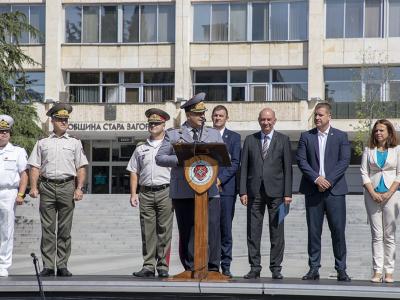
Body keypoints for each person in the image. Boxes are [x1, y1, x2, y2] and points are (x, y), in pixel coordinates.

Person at [156, 92, 224, 273]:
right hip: (184, 190)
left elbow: (227, 157)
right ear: (188, 115)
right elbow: (160, 158)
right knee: (187, 230)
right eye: (198, 113)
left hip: (209, 190)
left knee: (213, 229)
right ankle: (190, 266)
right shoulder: (173, 134)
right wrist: (181, 159)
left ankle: (212, 267)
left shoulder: (213, 134)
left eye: (204, 113)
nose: (203, 117)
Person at [28, 103, 88, 277]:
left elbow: (81, 167)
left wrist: (79, 188)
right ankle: (47, 265)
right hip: (46, 186)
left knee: (64, 229)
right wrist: (33, 187)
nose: (64, 122)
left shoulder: (75, 143)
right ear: (52, 120)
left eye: (66, 119)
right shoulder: (42, 142)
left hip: (67, 186)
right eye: (60, 119)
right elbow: (35, 167)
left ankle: (62, 265)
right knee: (47, 228)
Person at [296, 102, 351, 282]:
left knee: (338, 231)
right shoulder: (306, 136)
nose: (317, 118)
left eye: (320, 115)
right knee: (313, 232)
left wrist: (328, 181)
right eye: (316, 115)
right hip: (313, 191)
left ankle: (341, 269)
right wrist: (317, 179)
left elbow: (344, 161)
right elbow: (302, 161)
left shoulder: (341, 136)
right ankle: (313, 268)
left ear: (329, 116)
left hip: (335, 192)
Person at [239, 108, 292, 279]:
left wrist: (287, 193)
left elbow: (288, 169)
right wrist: (243, 191)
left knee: (277, 231)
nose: (266, 122)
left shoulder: (283, 140)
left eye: (269, 119)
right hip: (254, 193)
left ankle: (276, 267)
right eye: (263, 119)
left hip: (277, 194)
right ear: (258, 120)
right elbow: (244, 168)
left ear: (274, 120)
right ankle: (255, 267)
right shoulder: (249, 140)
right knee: (253, 231)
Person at [127, 108, 173, 278]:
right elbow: (134, 171)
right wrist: (134, 193)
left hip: (166, 191)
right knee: (147, 231)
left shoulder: (171, 146)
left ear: (164, 125)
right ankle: (148, 265)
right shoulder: (141, 148)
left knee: (164, 230)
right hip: (145, 192)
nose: (153, 125)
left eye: (157, 123)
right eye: (151, 123)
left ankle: (162, 266)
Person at [360, 119, 400, 283]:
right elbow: (364, 172)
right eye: (376, 130)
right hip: (372, 195)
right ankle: (377, 271)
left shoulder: (397, 150)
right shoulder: (368, 150)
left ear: (389, 133)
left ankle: (389, 271)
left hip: (392, 196)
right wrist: (372, 192)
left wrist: (390, 192)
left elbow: (399, 173)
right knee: (376, 235)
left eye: (382, 130)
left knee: (389, 235)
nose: (378, 133)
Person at [211, 105, 241, 278]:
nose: (217, 118)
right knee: (210, 228)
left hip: (226, 190)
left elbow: (235, 163)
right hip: (205, 190)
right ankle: (211, 264)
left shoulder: (234, 138)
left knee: (225, 228)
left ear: (226, 118)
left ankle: (226, 264)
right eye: (215, 115)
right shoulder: (205, 136)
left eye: (221, 116)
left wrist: (220, 179)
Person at [0, 115, 28, 277]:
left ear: (10, 134)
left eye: (5, 131)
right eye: (0, 131)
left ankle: (3, 265)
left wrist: (21, 194)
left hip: (8, 193)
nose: (2, 134)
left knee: (6, 230)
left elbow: (23, 174)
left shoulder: (17, 151)